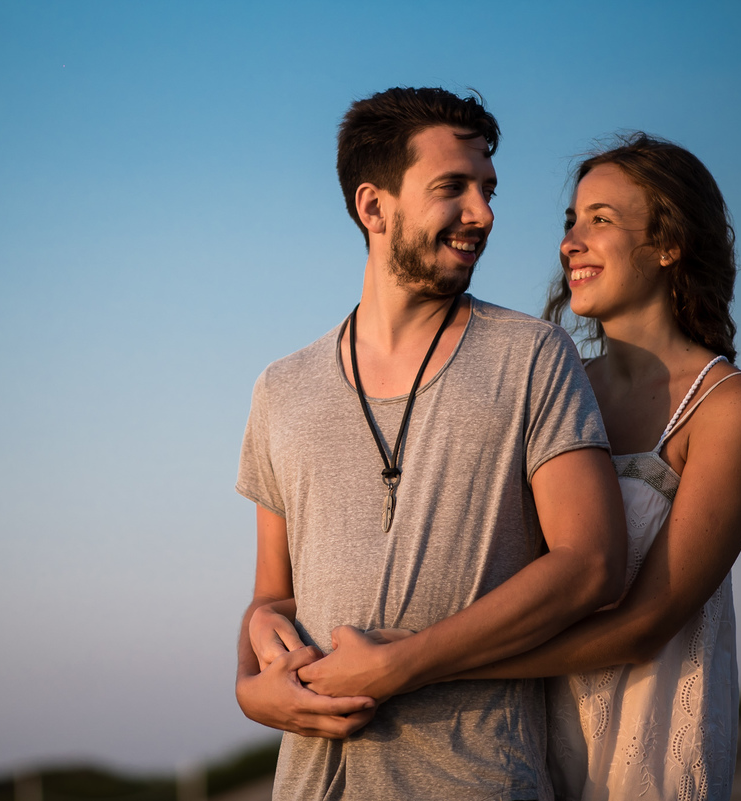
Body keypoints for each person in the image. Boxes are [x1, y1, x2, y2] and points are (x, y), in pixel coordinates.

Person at [234, 86, 627, 801]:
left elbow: (594, 562)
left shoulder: (533, 354)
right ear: (373, 206)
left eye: (488, 189)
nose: (483, 214)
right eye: (454, 188)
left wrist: (400, 664)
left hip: (478, 781)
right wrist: (249, 690)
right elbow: (272, 598)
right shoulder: (279, 390)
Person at [359, 134, 741, 800]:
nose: (571, 241)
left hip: (648, 741)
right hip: (520, 745)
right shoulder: (554, 385)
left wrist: (423, 666)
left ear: (668, 243)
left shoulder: (729, 405)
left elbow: (647, 624)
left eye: (600, 220)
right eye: (570, 222)